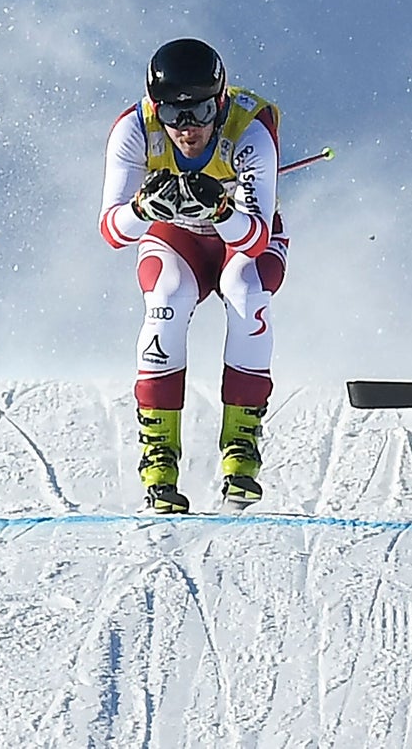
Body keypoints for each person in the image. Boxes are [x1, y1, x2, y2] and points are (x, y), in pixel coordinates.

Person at [99, 37, 287, 512]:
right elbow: (111, 230)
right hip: (176, 236)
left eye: (201, 112)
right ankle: (159, 459)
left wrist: (221, 210)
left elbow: (256, 237)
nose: (187, 129)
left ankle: (240, 449)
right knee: (168, 298)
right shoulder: (133, 130)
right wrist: (142, 209)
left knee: (245, 293)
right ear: (154, 107)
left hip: (240, 237)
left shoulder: (250, 129)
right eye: (173, 114)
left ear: (220, 103)